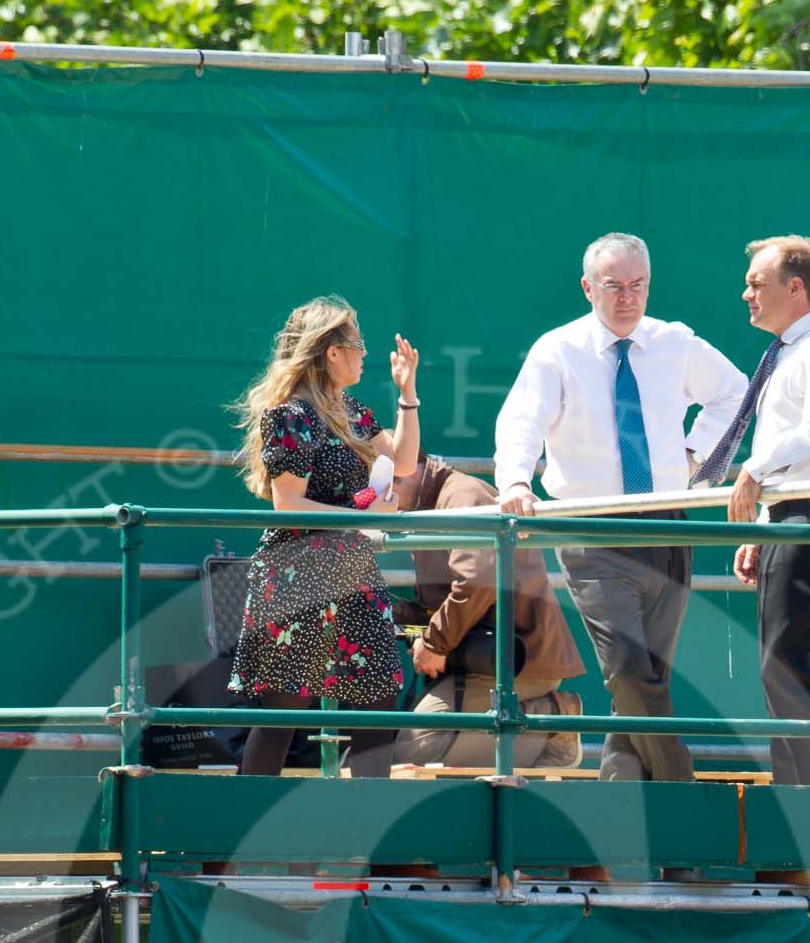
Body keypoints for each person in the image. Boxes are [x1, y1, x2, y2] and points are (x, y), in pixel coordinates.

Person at [495, 230, 746, 783]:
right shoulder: (556, 350)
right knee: (630, 671)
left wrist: (692, 456)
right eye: (614, 286)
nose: (628, 297)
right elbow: (521, 422)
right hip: (592, 528)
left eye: (639, 285)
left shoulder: (674, 342)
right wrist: (515, 481)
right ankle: (683, 802)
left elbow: (735, 392)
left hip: (668, 524)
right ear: (588, 288)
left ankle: (621, 825)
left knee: (644, 680)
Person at [229, 296, 417, 776]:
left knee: (377, 699)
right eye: (356, 344)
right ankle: (237, 841)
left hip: (351, 568)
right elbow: (287, 504)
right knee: (282, 714)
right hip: (298, 571)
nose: (364, 354)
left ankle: (368, 837)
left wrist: (407, 394)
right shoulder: (289, 414)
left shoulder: (351, 408)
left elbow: (405, 464)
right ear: (331, 351)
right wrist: (361, 510)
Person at [719, 235, 810, 784]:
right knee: (782, 666)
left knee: (787, 665)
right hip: (796, 517)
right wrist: (762, 528)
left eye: (757, 283)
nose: (746, 294)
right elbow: (799, 441)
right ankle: (807, 812)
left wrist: (755, 472)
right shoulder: (791, 354)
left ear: (795, 288)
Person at [391, 454, 585, 769]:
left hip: (517, 661)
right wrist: (391, 616)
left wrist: (435, 643)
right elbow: (440, 599)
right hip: (479, 657)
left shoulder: (461, 497)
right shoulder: (428, 504)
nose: (379, 500)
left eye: (382, 487)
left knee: (415, 749)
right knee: (405, 747)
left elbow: (477, 582)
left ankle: (553, 717)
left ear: (404, 471)